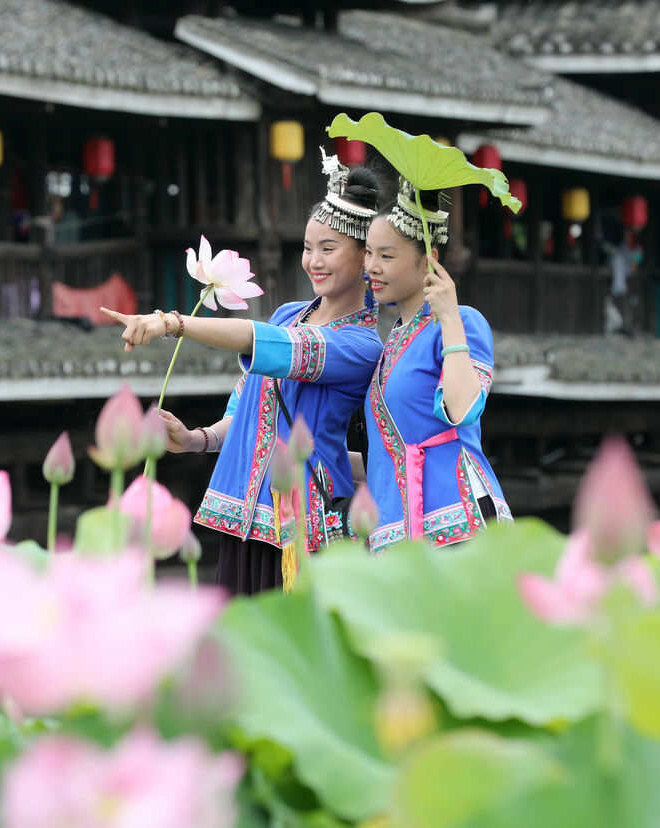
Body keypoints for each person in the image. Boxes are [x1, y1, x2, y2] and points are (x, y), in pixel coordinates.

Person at [102, 152, 383, 594]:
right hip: (242, 516)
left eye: (328, 249)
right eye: (308, 249)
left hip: (301, 526)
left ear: (367, 258)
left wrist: (173, 323)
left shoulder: (361, 345)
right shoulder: (290, 313)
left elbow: (263, 344)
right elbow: (251, 409)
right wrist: (199, 439)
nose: (314, 262)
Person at [361, 178, 511, 555]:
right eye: (368, 253)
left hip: (456, 515)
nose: (371, 268)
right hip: (401, 524)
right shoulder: (392, 339)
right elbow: (386, 449)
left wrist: (450, 319)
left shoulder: (464, 322)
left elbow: (463, 410)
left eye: (387, 256)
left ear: (427, 261)